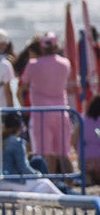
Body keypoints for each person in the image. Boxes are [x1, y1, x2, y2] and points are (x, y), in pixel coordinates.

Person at [18, 33, 77, 175]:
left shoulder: (33, 65)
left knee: (46, 153)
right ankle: (69, 182)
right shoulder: (65, 63)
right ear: (56, 46)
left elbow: (22, 88)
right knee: (64, 154)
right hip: (62, 112)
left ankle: (51, 182)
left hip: (41, 114)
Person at [0, 112, 62, 195]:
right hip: (9, 181)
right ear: (20, 127)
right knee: (45, 183)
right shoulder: (17, 142)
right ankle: (67, 201)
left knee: (43, 184)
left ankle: (66, 200)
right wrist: (38, 174)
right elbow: (23, 167)